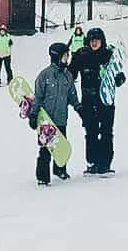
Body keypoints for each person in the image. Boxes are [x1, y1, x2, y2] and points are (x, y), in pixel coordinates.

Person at [69, 26, 126, 175]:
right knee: (91, 132)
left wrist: (119, 78)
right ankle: (93, 162)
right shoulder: (81, 55)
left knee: (106, 132)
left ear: (102, 41)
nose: (94, 43)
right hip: (88, 100)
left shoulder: (108, 55)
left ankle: (105, 164)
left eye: (97, 41)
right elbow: (71, 74)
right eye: (92, 41)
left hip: (106, 101)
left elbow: (116, 74)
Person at [30, 41, 82, 185]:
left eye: (68, 56)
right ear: (56, 57)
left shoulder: (68, 76)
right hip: (46, 121)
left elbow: (72, 95)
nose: (67, 59)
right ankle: (42, 177)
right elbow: (38, 97)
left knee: (61, 146)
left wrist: (79, 108)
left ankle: (60, 170)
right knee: (45, 150)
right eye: (65, 56)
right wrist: (33, 114)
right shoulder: (44, 75)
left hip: (61, 119)